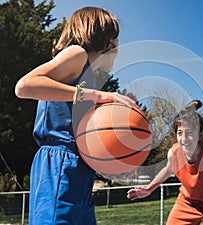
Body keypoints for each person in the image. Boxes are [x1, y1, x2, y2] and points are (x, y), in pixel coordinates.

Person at [15, 7, 136, 225]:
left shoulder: (87, 74)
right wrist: (96, 95)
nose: (118, 45)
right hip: (60, 163)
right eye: (114, 37)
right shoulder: (76, 54)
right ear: (101, 36)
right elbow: (24, 86)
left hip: (79, 167)